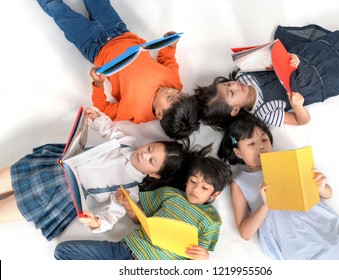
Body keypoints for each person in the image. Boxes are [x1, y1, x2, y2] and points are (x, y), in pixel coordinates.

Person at [0, 107, 197, 240]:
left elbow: (110, 218)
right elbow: (107, 128)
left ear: (155, 175)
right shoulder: (126, 143)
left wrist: (95, 222)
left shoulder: (129, 192)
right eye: (150, 148)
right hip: (53, 164)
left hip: (59, 195)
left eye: (151, 160)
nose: (144, 154)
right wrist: (95, 118)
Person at [217, 111, 339, 260]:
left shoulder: (290, 159)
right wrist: (265, 205)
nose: (261, 146)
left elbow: (327, 194)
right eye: (251, 144)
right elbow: (246, 233)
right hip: (297, 247)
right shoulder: (240, 183)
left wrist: (321, 186)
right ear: (238, 152)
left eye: (263, 139)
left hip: (328, 229)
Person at [35, 0, 199, 140]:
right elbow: (167, 59)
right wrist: (170, 45)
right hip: (118, 30)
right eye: (178, 93)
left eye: (170, 97)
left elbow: (105, 110)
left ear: (159, 114)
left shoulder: (136, 112)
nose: (171, 90)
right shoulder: (175, 83)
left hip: (93, 46)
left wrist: (98, 84)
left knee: (57, 9)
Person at [195, 16, 339, 130]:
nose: (234, 85)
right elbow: (301, 121)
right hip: (326, 78)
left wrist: (289, 59)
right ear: (235, 110)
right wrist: (297, 106)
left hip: (314, 55)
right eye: (231, 93)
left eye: (227, 84)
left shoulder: (243, 74)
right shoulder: (265, 113)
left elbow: (274, 56)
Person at [53, 150, 232, 260]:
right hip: (125, 249)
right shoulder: (169, 194)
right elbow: (141, 221)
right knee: (62, 251)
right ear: (187, 180)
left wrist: (204, 257)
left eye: (204, 188)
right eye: (193, 181)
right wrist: (130, 207)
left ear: (215, 194)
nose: (195, 189)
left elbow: (198, 256)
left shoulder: (211, 220)